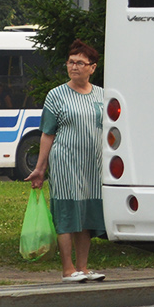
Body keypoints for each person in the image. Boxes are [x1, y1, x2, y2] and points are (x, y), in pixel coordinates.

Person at [28, 40, 107, 283]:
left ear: (92, 67)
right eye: (71, 62)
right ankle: (68, 269)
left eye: (80, 63)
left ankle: (83, 268)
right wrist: (40, 169)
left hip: (93, 165)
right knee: (67, 214)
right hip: (66, 163)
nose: (74, 67)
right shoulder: (56, 95)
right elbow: (47, 133)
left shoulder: (103, 95)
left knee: (87, 215)